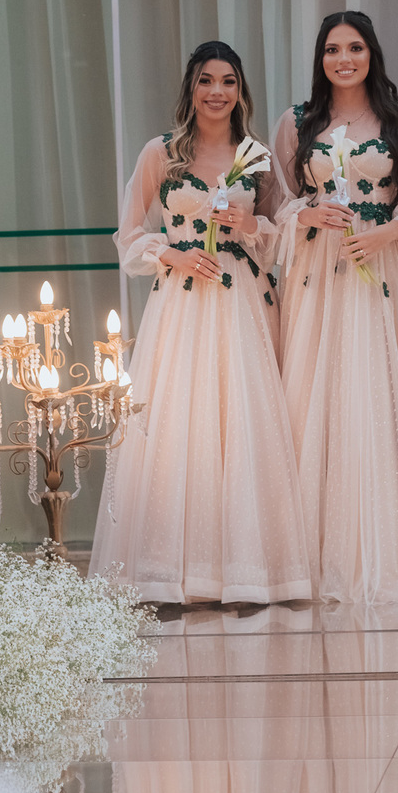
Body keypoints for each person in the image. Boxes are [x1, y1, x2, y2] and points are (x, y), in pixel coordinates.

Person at [89, 40, 310, 608]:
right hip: (182, 303)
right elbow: (128, 235)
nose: (217, 91)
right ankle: (164, 574)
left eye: (228, 81)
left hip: (241, 303)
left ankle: (244, 571)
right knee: (178, 424)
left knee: (241, 422)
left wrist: (249, 224)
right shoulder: (161, 154)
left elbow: (282, 235)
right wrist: (172, 254)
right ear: (191, 88)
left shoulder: (257, 157)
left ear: (241, 91)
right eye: (207, 80)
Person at [272, 11, 398, 605]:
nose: (343, 59)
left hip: (386, 275)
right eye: (332, 49)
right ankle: (317, 556)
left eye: (354, 47)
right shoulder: (297, 123)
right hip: (319, 277)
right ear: (319, 58)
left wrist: (390, 231)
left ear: (372, 53)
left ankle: (390, 553)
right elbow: (276, 204)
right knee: (319, 401)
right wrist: (306, 213)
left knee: (381, 397)